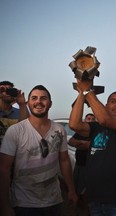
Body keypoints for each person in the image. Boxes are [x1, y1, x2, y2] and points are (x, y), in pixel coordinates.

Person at [0, 85, 78, 216]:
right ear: (29, 103)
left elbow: (64, 160)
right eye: (34, 98)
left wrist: (71, 189)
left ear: (50, 103)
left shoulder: (59, 130)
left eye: (43, 98)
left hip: (54, 200)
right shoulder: (15, 131)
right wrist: (4, 205)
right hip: (23, 203)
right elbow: (4, 168)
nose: (38, 101)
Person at [69, 79, 116, 216]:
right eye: (113, 101)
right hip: (95, 200)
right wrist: (82, 93)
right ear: (105, 106)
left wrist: (88, 91)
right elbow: (74, 124)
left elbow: (105, 119)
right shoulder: (96, 127)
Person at [68, 113, 95, 215]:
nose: (91, 120)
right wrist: (83, 143)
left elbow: (89, 146)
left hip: (88, 167)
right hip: (78, 165)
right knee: (75, 190)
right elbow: (70, 141)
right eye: (89, 118)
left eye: (93, 119)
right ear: (85, 120)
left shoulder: (95, 133)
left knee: (85, 194)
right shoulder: (80, 132)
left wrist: (79, 144)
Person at [0, 81, 29, 145]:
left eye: (10, 90)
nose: (8, 93)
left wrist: (22, 104)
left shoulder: (20, 112)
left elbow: (26, 128)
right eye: (3, 90)